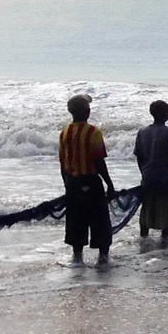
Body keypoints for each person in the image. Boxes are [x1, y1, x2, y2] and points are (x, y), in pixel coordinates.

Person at [59, 94, 117, 266]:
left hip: (72, 182)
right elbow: (98, 160)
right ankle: (103, 258)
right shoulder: (94, 132)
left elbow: (63, 163)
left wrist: (66, 184)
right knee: (100, 220)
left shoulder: (64, 132)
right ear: (86, 112)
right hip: (91, 181)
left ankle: (77, 258)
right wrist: (109, 183)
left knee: (76, 220)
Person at [133, 100, 168, 248]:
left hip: (148, 176)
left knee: (147, 208)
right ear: (164, 114)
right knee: (167, 208)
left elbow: (139, 155)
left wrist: (143, 171)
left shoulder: (142, 132)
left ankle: (144, 238)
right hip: (165, 177)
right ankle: (164, 241)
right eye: (167, 112)